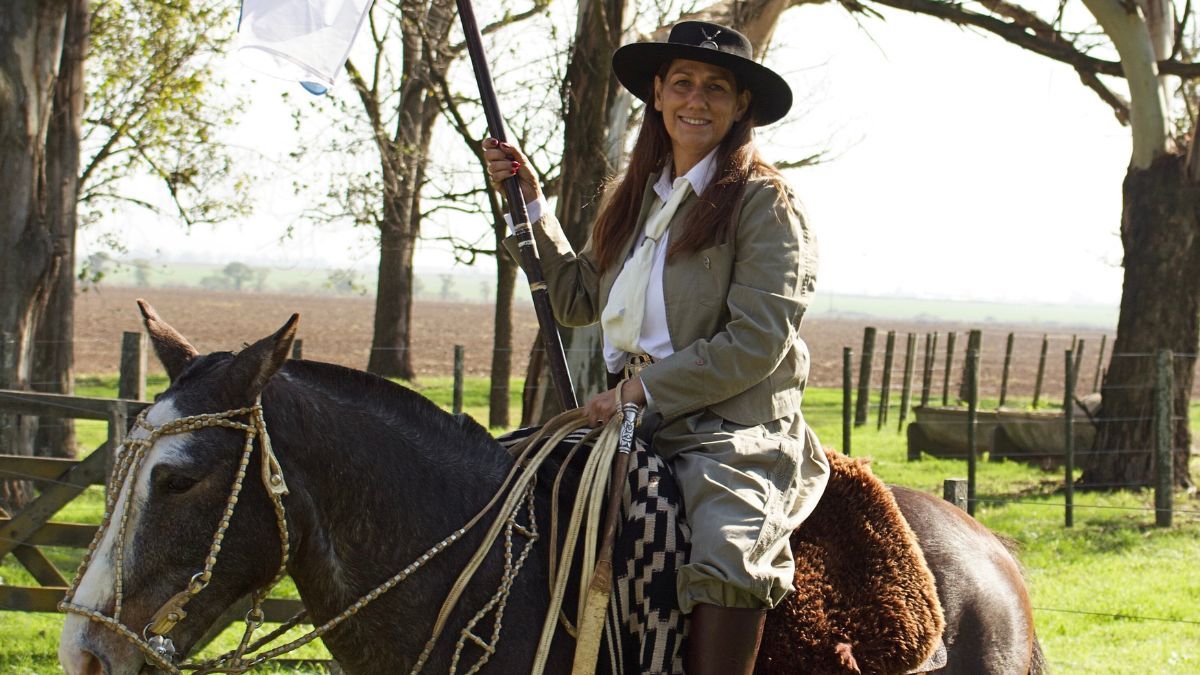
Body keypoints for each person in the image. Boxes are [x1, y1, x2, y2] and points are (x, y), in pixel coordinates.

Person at [484, 20, 830, 675]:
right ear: (658, 95)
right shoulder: (640, 196)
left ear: (740, 106)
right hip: (626, 416)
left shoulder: (765, 205)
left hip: (728, 426)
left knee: (731, 551)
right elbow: (579, 298)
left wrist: (640, 391)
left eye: (716, 89)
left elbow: (754, 344)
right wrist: (528, 203)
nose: (696, 101)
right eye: (682, 84)